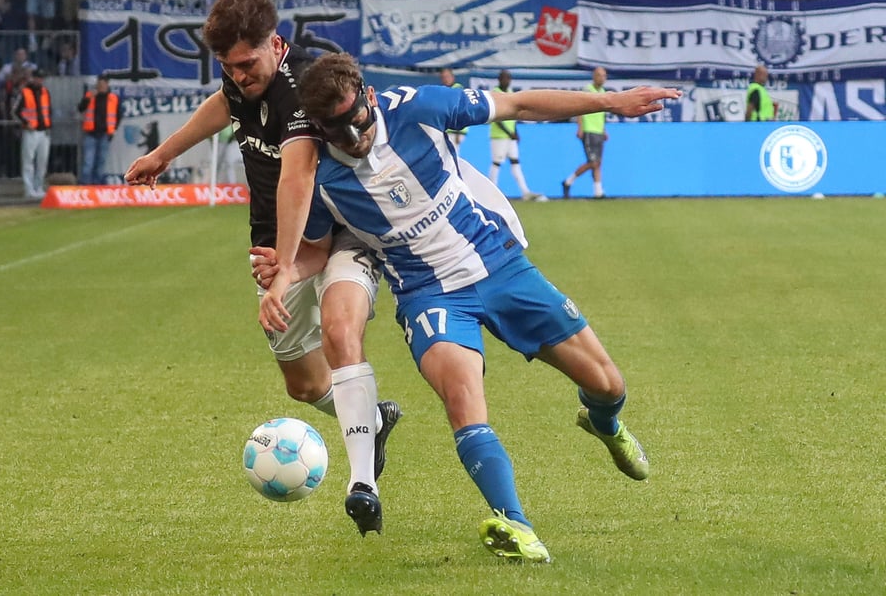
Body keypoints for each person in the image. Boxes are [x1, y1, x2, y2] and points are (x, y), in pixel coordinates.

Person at [263, 52, 679, 562]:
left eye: (357, 121)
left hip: (500, 266)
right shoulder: (318, 175)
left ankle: (604, 423)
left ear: (369, 97)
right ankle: (517, 526)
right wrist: (283, 274)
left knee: (607, 384)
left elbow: (520, 105)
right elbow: (319, 251)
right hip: (428, 297)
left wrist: (610, 101)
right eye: (337, 130)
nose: (353, 138)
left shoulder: (419, 106)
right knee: (463, 403)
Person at [124, 0, 401, 536]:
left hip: (335, 229)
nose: (240, 75)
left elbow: (298, 178)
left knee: (343, 334)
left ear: (276, 44)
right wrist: (162, 154)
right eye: (229, 66)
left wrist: (288, 267)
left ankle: (361, 481)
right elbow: (225, 104)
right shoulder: (239, 75)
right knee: (300, 383)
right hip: (274, 241)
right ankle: (370, 421)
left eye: (248, 64)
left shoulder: (304, 90)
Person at [488, 70, 544, 201]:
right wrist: (509, 133)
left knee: (515, 162)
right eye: (505, 78)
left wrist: (515, 133)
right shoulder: (495, 93)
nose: (507, 81)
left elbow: (513, 116)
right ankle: (491, 193)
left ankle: (525, 192)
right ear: (499, 80)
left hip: (510, 136)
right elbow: (496, 117)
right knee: (497, 163)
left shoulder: (511, 92)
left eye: (508, 78)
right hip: (499, 136)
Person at [562, 67, 610, 199]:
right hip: (588, 130)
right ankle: (568, 181)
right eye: (600, 75)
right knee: (593, 162)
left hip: (598, 130)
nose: (602, 78)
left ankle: (598, 192)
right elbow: (580, 109)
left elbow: (602, 114)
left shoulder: (602, 91)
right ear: (594, 76)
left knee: (598, 162)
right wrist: (580, 127)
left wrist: (604, 130)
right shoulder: (588, 90)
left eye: (604, 76)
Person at [12, 69, 52, 199]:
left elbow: (48, 111)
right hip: (31, 131)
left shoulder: (45, 92)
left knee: (42, 161)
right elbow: (14, 111)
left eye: (41, 78)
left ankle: (38, 187)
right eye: (38, 78)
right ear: (33, 78)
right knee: (28, 161)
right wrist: (25, 123)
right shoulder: (25, 92)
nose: (40, 80)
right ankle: (29, 189)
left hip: (43, 131)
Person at [77, 75, 122, 185]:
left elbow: (118, 115)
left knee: (101, 162)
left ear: (107, 84)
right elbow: (80, 108)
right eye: (99, 84)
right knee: (88, 162)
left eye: (103, 84)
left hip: (105, 134)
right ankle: (85, 185)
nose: (101, 86)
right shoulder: (90, 95)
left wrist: (113, 129)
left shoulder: (113, 98)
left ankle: (97, 186)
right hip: (91, 133)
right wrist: (88, 98)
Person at [438, 67, 468, 150]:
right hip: (448, 130)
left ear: (452, 77)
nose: (445, 79)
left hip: (456, 130)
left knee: (452, 154)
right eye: (443, 77)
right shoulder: (443, 90)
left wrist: (458, 132)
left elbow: (459, 110)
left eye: (447, 76)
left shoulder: (457, 89)